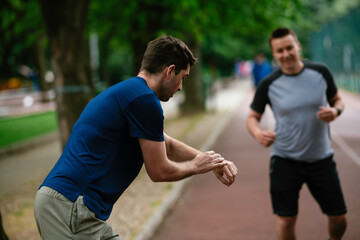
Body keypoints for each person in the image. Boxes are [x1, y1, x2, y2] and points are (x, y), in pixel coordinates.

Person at [34, 36, 238, 240]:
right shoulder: (144, 101)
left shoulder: (131, 93)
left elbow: (165, 143)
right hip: (67, 206)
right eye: (182, 78)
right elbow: (159, 171)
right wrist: (196, 166)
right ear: (169, 71)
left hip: (72, 208)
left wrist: (211, 161)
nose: (180, 87)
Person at [246, 27, 347, 240]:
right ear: (274, 54)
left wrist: (335, 111)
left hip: (321, 158)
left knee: (339, 218)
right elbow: (252, 117)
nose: (286, 54)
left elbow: (338, 99)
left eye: (289, 48)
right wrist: (258, 134)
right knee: (286, 220)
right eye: (280, 51)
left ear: (298, 46)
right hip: (285, 159)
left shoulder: (321, 72)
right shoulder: (268, 84)